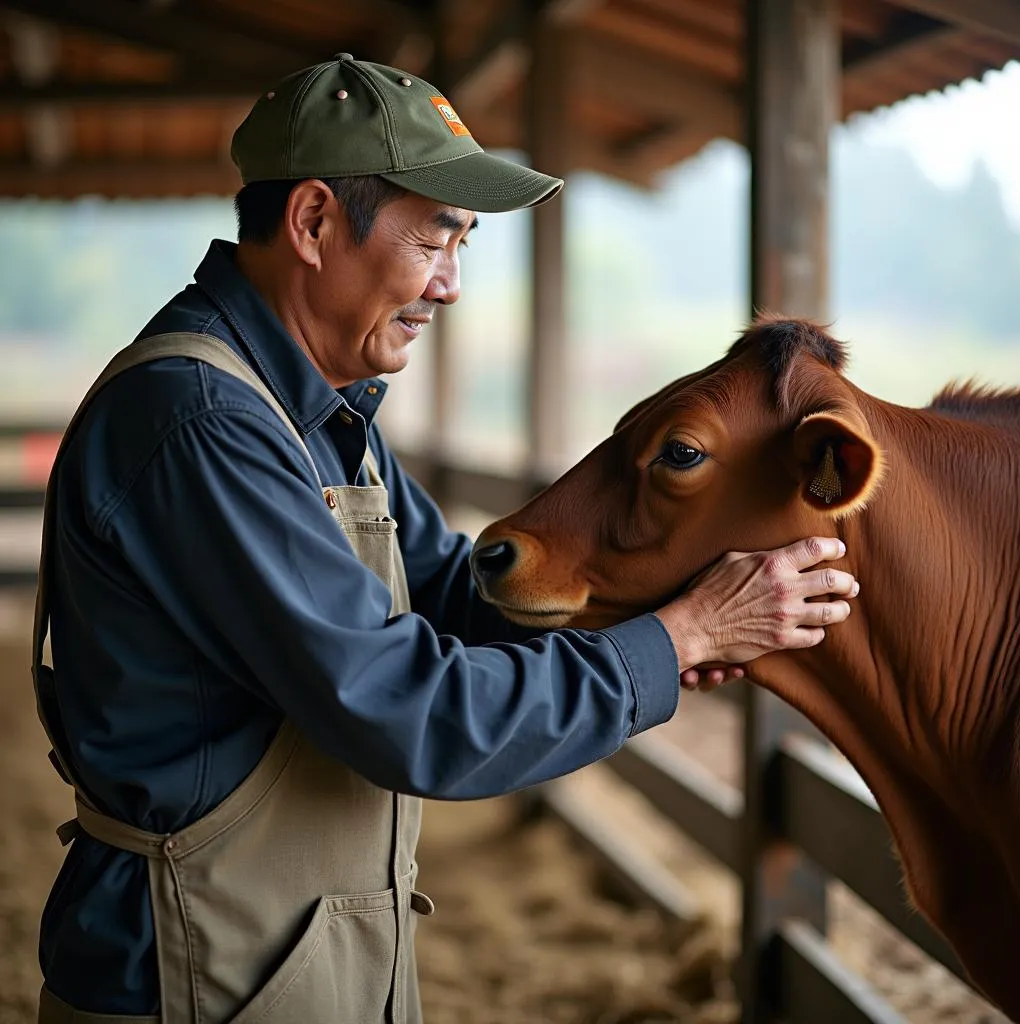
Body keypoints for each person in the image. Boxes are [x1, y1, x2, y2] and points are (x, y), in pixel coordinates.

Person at [33, 54, 859, 1023]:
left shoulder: (317, 415)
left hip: (279, 956)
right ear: (311, 223)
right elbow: (404, 709)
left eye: (462, 244)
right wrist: (674, 642)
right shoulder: (202, 423)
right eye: (436, 237)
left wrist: (646, 615)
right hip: (190, 975)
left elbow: (464, 601)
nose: (451, 285)